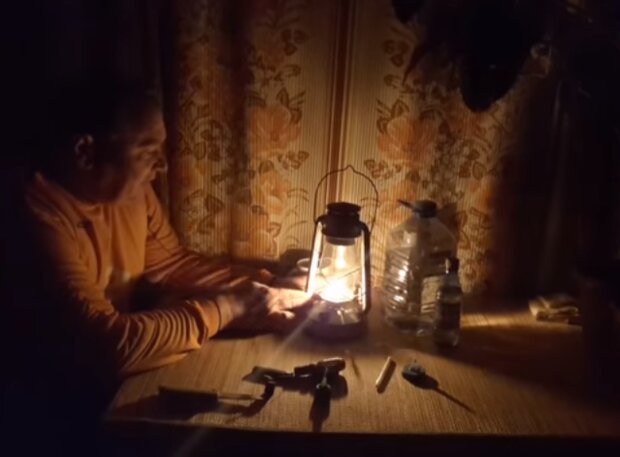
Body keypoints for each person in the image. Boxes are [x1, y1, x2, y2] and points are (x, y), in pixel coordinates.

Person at [1, 84, 310, 449]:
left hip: (109, 391)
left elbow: (170, 264)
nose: (162, 166)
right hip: (50, 416)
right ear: (85, 152)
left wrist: (273, 282)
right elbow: (107, 348)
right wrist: (231, 307)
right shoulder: (34, 213)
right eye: (148, 150)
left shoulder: (128, 193)